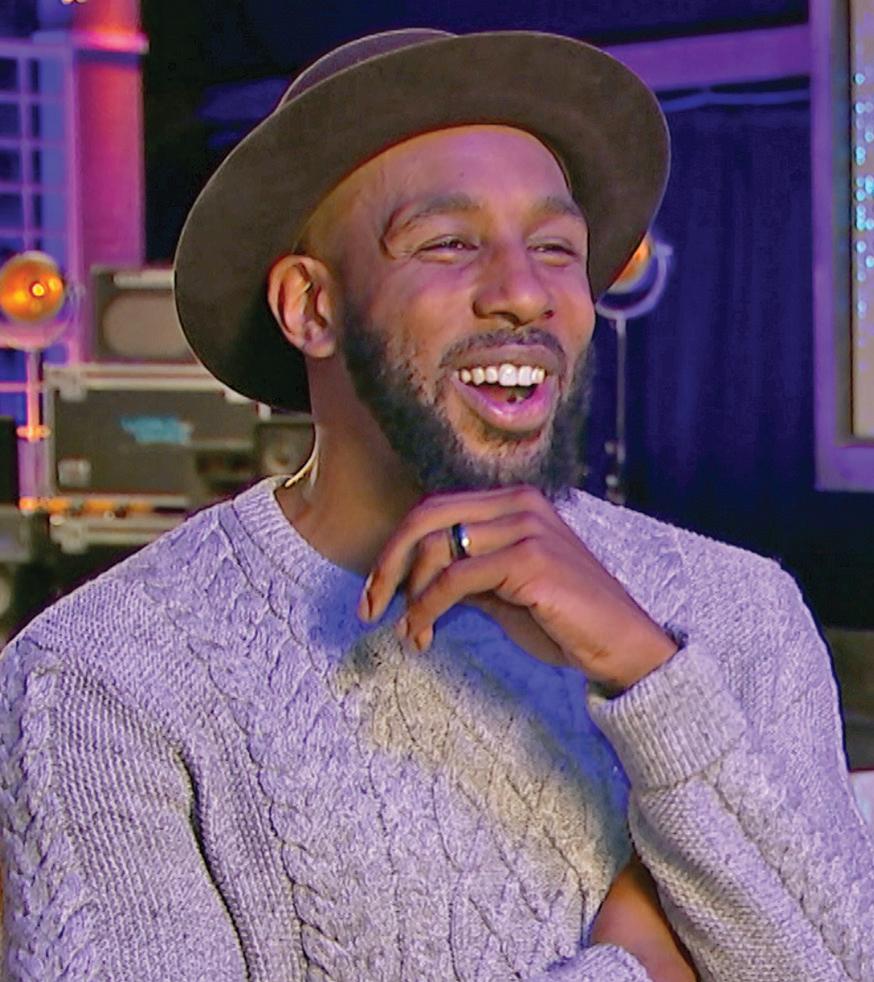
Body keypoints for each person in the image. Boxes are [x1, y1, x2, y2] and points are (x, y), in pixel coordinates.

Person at [1, 27, 872, 982]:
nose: (525, 294)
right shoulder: (102, 678)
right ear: (312, 306)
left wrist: (646, 673)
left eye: (557, 248)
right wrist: (637, 968)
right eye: (450, 244)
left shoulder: (740, 612)